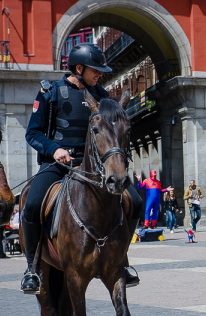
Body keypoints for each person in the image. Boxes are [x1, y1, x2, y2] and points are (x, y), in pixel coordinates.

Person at [20, 43, 142, 294]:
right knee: (31, 205)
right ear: (79, 68)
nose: (100, 74)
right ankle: (32, 268)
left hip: (93, 168)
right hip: (58, 164)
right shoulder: (50, 92)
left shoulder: (103, 96)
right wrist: (54, 149)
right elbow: (32, 133)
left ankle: (122, 260)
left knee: (136, 201)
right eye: (96, 70)